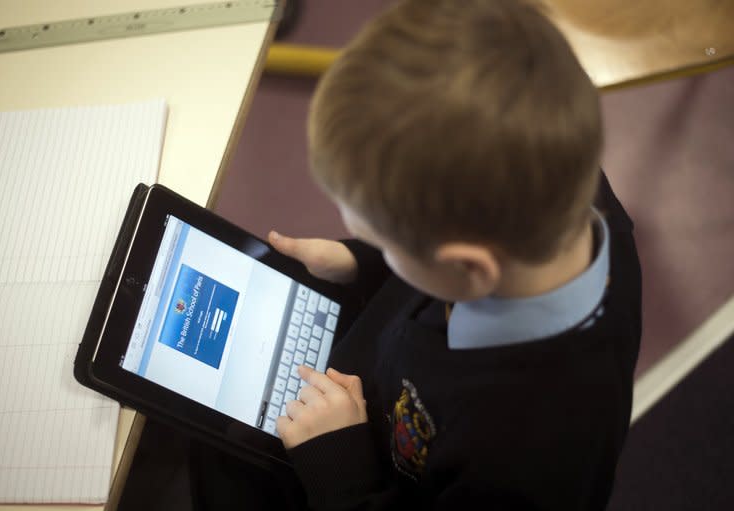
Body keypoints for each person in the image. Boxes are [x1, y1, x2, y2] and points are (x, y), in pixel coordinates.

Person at [261, 0, 642, 509]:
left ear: (466, 265)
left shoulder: (527, 456)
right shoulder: (553, 188)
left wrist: (341, 470)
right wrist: (362, 263)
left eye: (386, 244)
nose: (379, 250)